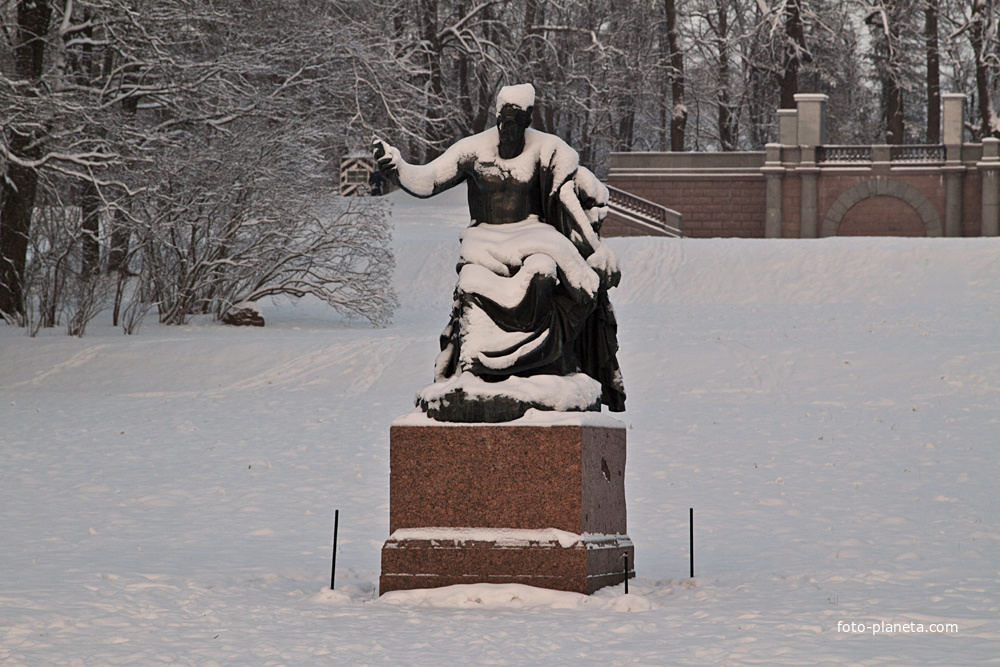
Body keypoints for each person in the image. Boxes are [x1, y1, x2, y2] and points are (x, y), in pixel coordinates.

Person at [373, 83, 625, 416]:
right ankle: (477, 365)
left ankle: (542, 364)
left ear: (528, 119)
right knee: (472, 284)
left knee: (544, 272)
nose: (508, 129)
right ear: (496, 116)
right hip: (484, 246)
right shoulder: (472, 151)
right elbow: (430, 179)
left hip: (534, 238)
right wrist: (399, 167)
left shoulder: (546, 150)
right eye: (503, 120)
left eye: (517, 121)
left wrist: (593, 248)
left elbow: (566, 198)